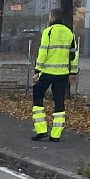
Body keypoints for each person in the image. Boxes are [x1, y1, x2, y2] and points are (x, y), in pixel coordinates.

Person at [31, 8, 79, 142]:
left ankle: (41, 130)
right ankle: (56, 135)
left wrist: (37, 70)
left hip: (47, 72)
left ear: (52, 18)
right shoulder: (69, 33)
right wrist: (73, 72)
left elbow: (43, 52)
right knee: (59, 101)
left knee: (37, 96)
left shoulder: (48, 32)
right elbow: (73, 55)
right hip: (62, 74)